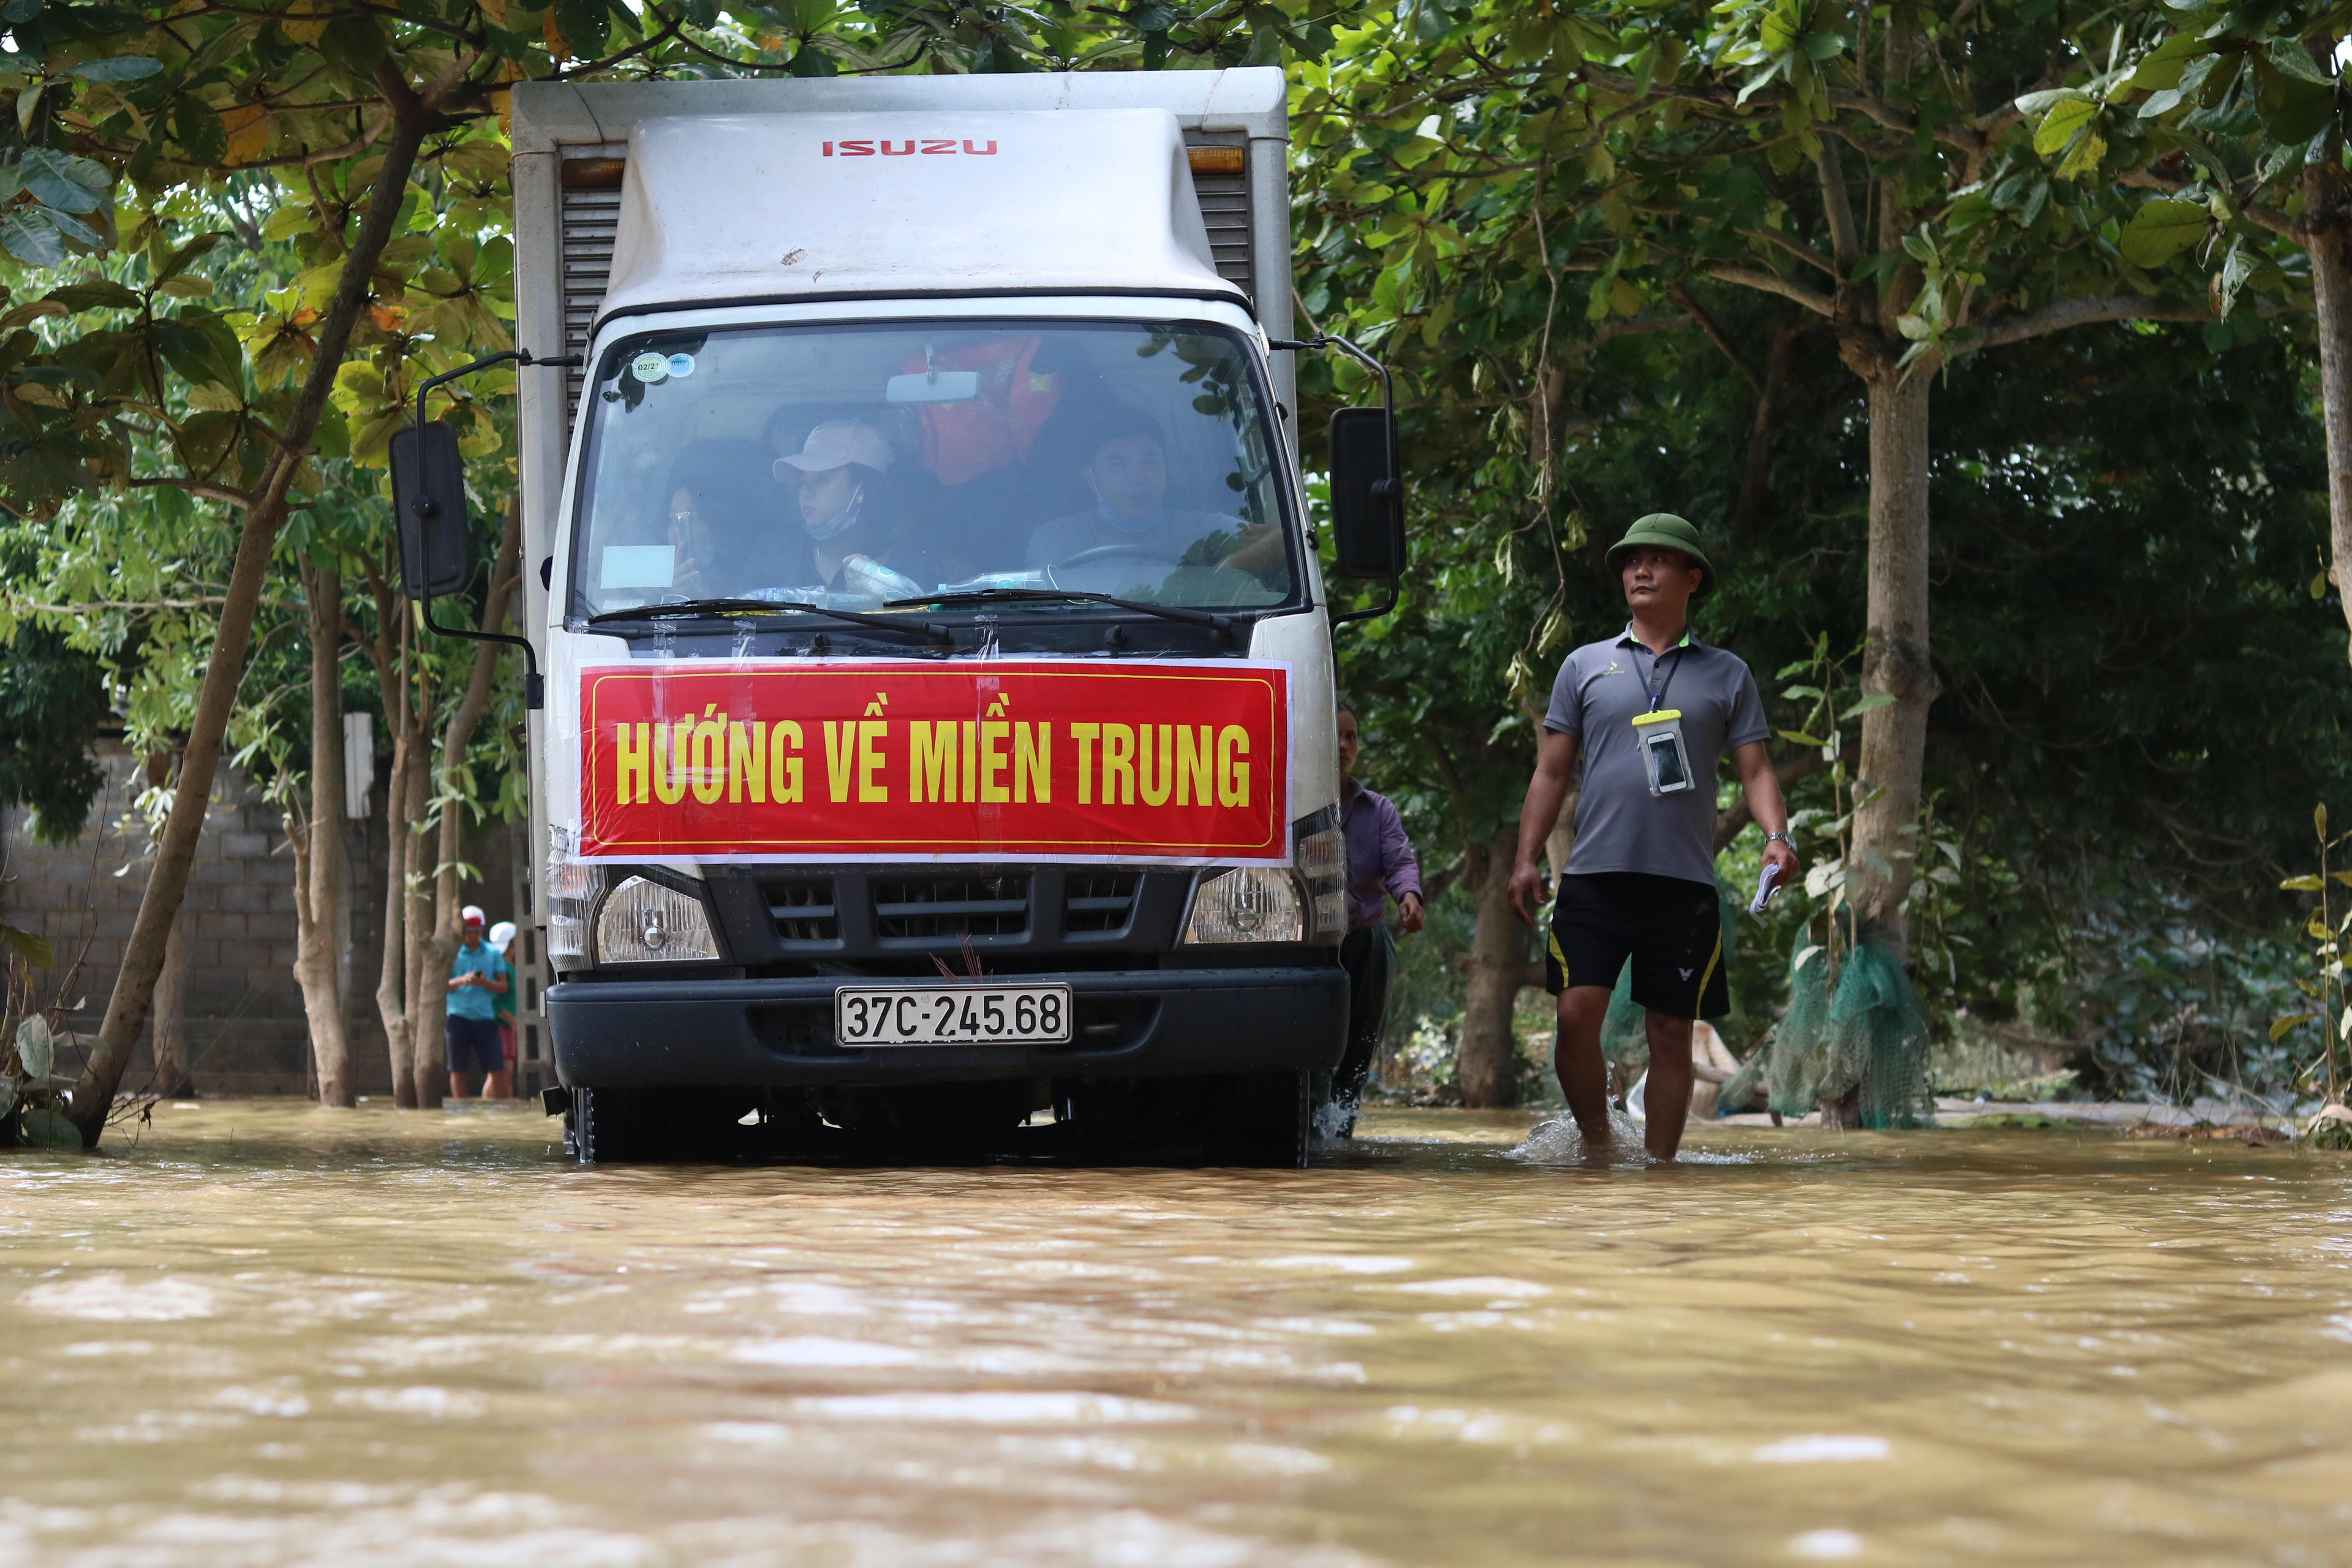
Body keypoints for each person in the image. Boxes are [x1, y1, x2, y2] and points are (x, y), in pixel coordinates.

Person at [1507, 513, 1796, 1163]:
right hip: (1593, 877)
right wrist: (1526, 859)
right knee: (1575, 1015)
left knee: (1671, 1031)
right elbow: (1551, 772)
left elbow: (1756, 770)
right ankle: (1600, 1148)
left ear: (1692, 579)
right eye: (1632, 560)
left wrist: (1777, 836)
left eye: (1658, 560)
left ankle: (1661, 1176)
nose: (1640, 569)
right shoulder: (1584, 665)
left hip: (1683, 884)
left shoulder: (1728, 674)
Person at [1023, 408, 1283, 595]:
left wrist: (1230, 567)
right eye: (1118, 464)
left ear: (1166, 469)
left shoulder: (1199, 528)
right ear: (1090, 477)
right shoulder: (1055, 539)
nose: (1137, 477)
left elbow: (1282, 538)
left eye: (1150, 462)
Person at [1327, 701, 1423, 1134]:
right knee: (1310, 1039)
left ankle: (1341, 1132)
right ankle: (1310, 1126)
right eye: (1336, 735)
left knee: (1360, 1042)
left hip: (1365, 939)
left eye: (1352, 737)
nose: (1344, 745)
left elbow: (1400, 862)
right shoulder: (1290, 804)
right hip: (1309, 943)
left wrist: (1409, 896)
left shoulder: (1378, 809)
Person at [767, 418, 938, 600]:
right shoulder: (775, 551)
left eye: (822, 480)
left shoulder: (907, 566)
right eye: (803, 482)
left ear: (862, 490)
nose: (805, 493)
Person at [446, 905, 510, 1101]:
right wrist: (463, 980)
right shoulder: (452, 952)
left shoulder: (493, 952)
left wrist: (484, 983)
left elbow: (503, 986)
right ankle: (462, 1110)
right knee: (457, 1070)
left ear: (482, 930)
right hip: (457, 1017)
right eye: (469, 932)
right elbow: (441, 986)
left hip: (485, 1017)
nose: (473, 936)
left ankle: (498, 1110)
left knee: (498, 1069)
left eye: (477, 932)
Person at [488, 919, 519, 1096]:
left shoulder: (511, 967)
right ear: (513, 943)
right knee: (500, 1075)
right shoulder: (500, 968)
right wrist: (512, 1020)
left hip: (508, 1027)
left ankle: (505, 1107)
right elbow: (493, 1000)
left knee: (507, 1075)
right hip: (499, 1026)